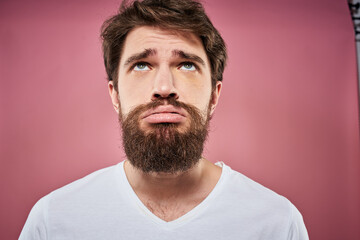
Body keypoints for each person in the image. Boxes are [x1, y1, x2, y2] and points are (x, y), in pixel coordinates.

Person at [20, 0, 309, 239]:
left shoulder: (277, 223)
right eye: (142, 65)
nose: (163, 88)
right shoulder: (53, 221)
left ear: (214, 96)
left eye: (186, 64)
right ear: (115, 95)